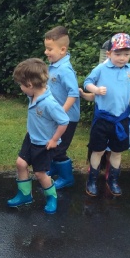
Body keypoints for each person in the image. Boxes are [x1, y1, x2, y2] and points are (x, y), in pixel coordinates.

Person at [6, 58, 69, 214]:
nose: (20, 88)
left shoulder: (49, 103)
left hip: (44, 144)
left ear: (29, 85)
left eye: (21, 85)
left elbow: (64, 121)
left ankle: (52, 197)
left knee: (40, 173)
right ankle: (25, 194)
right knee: (21, 163)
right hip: (31, 138)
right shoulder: (33, 95)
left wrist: (54, 140)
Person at [83, 33, 130, 197]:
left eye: (126, 54)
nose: (122, 58)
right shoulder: (101, 68)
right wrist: (96, 90)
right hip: (103, 118)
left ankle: (113, 180)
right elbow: (87, 82)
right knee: (98, 150)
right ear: (109, 53)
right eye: (118, 54)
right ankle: (92, 180)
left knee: (117, 151)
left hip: (122, 119)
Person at [44, 26, 80, 189]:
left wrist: (61, 112)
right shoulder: (54, 65)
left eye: (49, 49)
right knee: (52, 144)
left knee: (59, 148)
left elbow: (73, 93)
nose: (46, 52)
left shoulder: (65, 69)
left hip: (67, 118)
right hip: (56, 116)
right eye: (46, 48)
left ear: (63, 49)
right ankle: (54, 168)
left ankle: (67, 177)